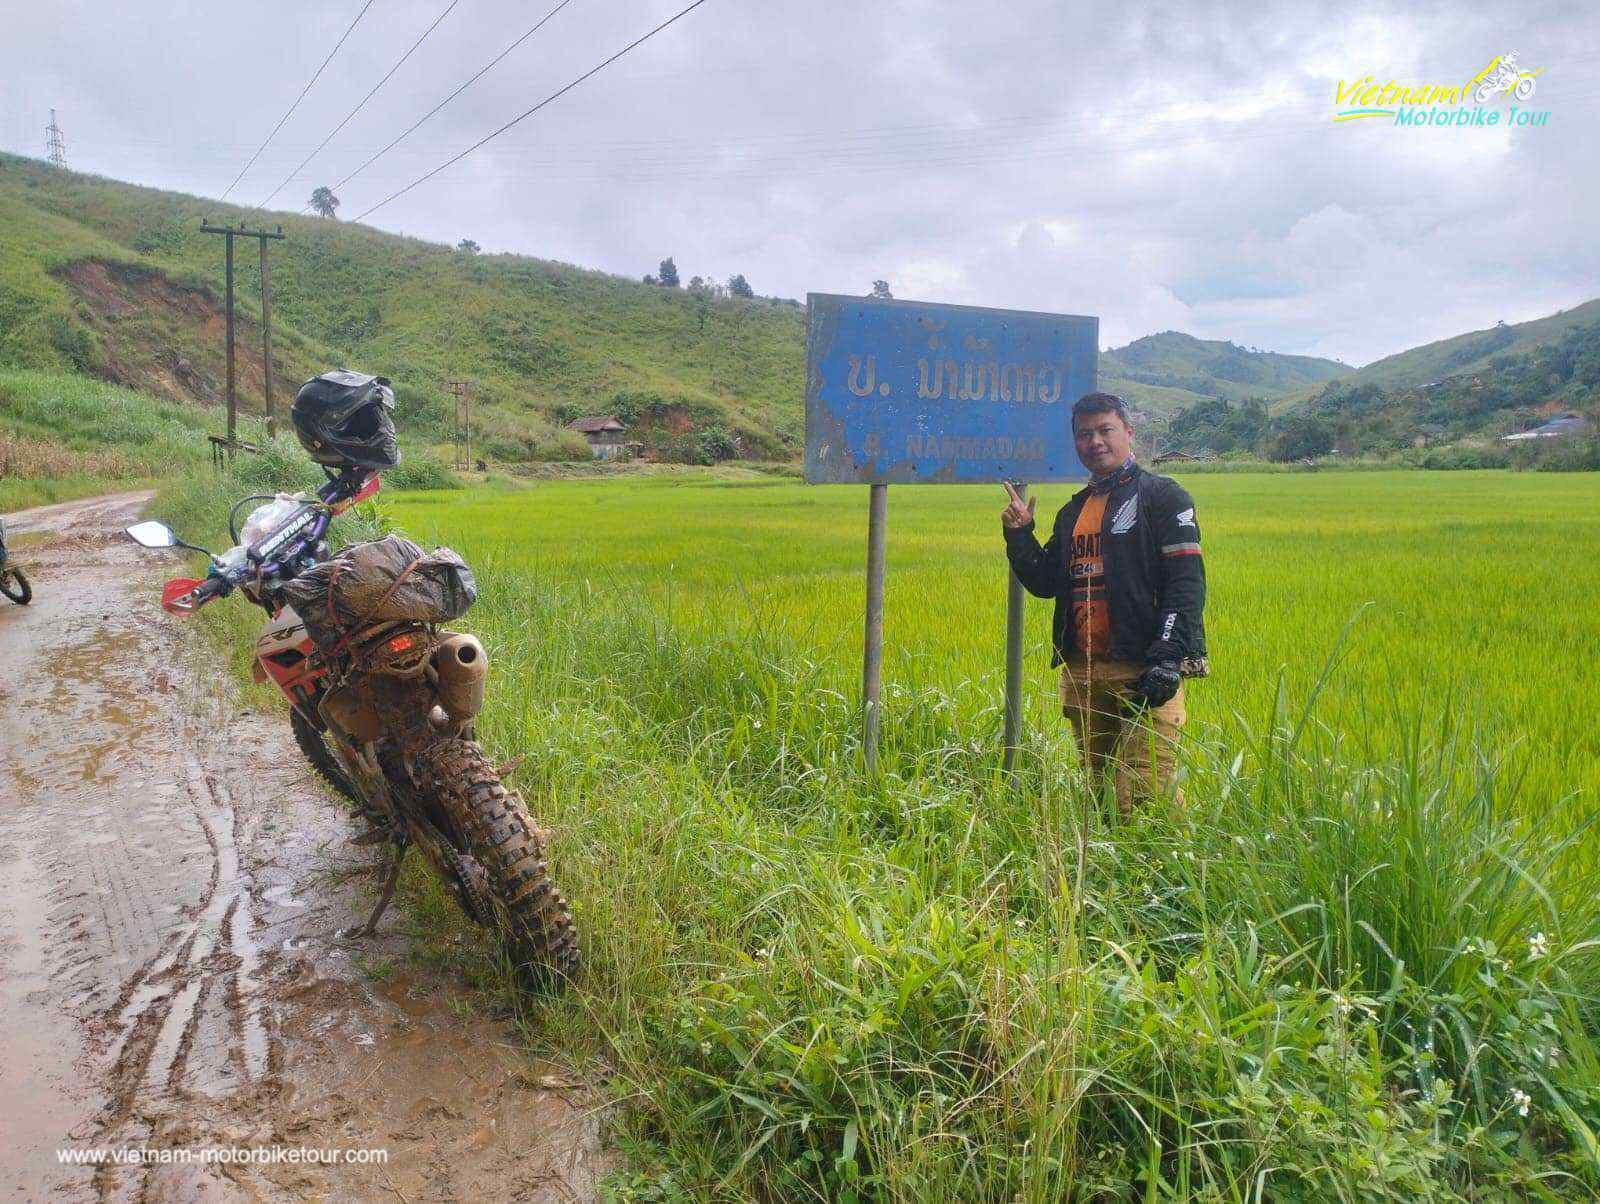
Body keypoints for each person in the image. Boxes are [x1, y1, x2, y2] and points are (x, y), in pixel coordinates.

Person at [1000, 392, 1207, 814]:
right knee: (1101, 791)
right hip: (1084, 672)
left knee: (1143, 792)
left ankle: (1173, 872)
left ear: (1128, 432)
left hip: (1143, 668)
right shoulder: (1072, 512)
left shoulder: (1164, 497)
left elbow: (1185, 583)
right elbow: (1045, 582)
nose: (1095, 441)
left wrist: (1169, 658)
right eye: (1084, 434)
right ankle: (1113, 874)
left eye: (1105, 430)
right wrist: (1020, 535)